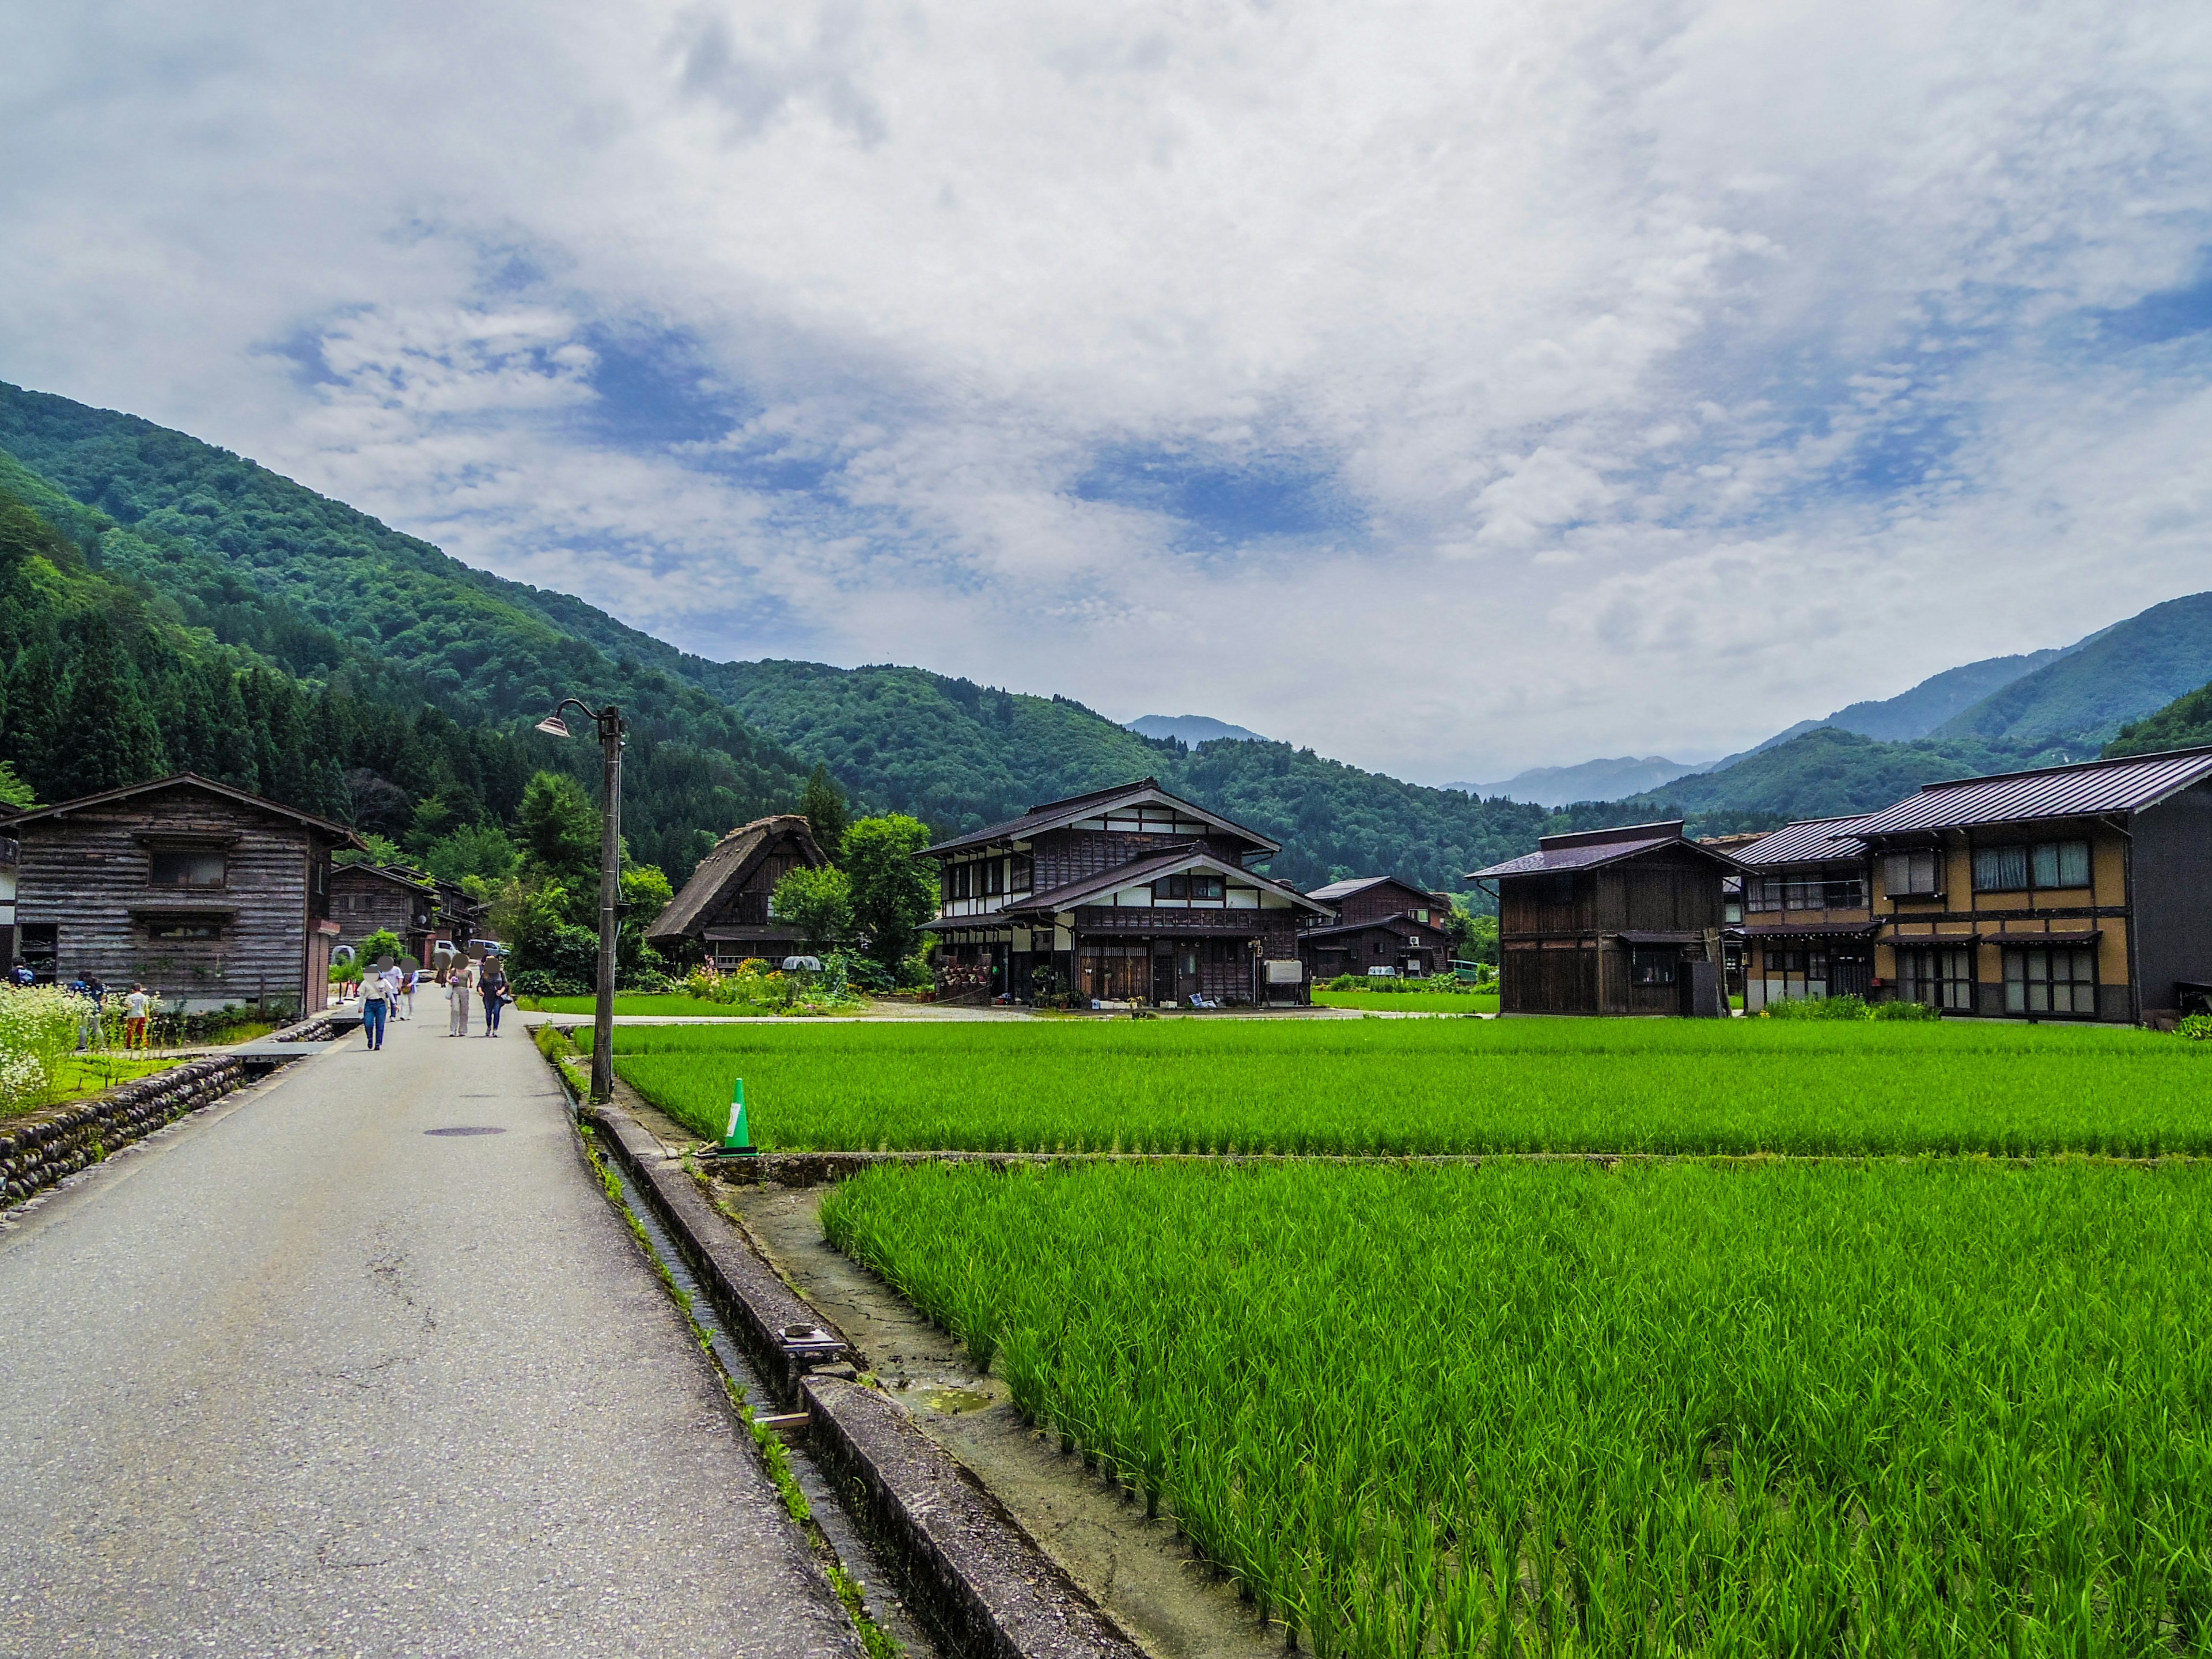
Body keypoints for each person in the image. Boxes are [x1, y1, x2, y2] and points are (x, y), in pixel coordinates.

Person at [361, 960, 392, 1051]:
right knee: (368, 1024)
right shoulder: (366, 982)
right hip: (369, 1004)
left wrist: (394, 1004)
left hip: (381, 1004)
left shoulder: (384, 981)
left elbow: (390, 993)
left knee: (380, 1025)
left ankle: (378, 1043)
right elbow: (362, 994)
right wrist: (360, 1006)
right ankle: (370, 1038)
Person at [478, 956, 509, 1037]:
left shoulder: (501, 973)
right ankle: (489, 1027)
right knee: (488, 1014)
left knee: (496, 1012)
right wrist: (481, 992)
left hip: (498, 997)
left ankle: (495, 1030)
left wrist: (501, 991)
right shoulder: (485, 974)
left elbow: (505, 984)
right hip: (488, 996)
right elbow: (480, 985)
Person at [446, 956, 476, 1037]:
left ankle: (463, 1030)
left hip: (464, 990)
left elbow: (471, 981)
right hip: (455, 990)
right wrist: (451, 981)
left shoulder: (469, 971)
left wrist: (472, 985)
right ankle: (453, 1030)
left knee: (464, 1010)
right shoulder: (454, 970)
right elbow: (448, 979)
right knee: (455, 1009)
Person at [124, 984, 151, 1051]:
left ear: (133, 990)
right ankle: (144, 1045)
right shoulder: (144, 997)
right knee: (142, 1031)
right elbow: (146, 1008)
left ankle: (129, 1046)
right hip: (142, 1015)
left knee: (131, 1031)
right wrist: (147, 1017)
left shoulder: (130, 997)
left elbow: (127, 1005)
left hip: (132, 1015)